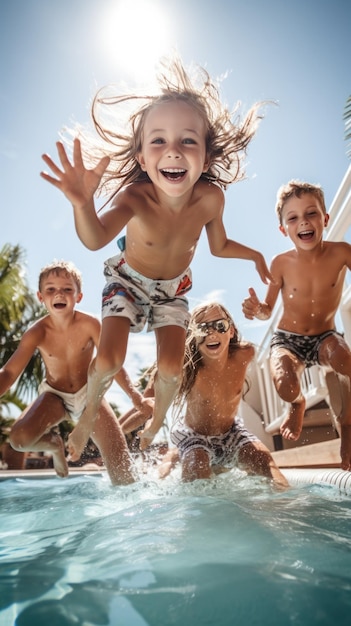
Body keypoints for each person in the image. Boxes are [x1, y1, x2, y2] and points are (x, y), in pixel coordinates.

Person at [40, 55, 272, 462]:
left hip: (172, 290)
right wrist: (83, 204)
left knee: (170, 368)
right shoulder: (135, 197)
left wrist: (254, 256)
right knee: (110, 357)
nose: (174, 151)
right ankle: (89, 412)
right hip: (127, 281)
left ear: (206, 155)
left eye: (188, 140)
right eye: (159, 141)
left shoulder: (210, 198)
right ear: (144, 159)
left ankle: (156, 421)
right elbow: (95, 238)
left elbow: (218, 245)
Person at [0, 260, 152, 484]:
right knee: (19, 440)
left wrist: (134, 395)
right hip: (55, 396)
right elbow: (10, 372)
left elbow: (112, 364)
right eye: (50, 289)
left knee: (123, 471)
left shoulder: (90, 324)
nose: (58, 294)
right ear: (40, 297)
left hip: (91, 395)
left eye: (67, 289)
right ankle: (54, 445)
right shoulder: (36, 333)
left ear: (78, 296)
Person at [242, 179, 351, 471]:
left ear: (325, 218)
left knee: (345, 361)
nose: (304, 222)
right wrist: (257, 310)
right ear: (284, 229)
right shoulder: (280, 263)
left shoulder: (342, 252)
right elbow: (268, 310)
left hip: (326, 335)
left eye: (311, 213)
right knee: (285, 383)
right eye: (293, 218)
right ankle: (297, 403)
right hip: (288, 339)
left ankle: (347, 428)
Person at [163, 302, 288, 487]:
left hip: (231, 433)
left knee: (264, 461)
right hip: (193, 434)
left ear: (231, 331)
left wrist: (294, 403)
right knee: (196, 465)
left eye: (220, 326)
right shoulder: (186, 367)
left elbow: (277, 360)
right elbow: (156, 383)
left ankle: (285, 508)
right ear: (193, 336)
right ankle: (175, 454)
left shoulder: (244, 355)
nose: (212, 333)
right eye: (203, 328)